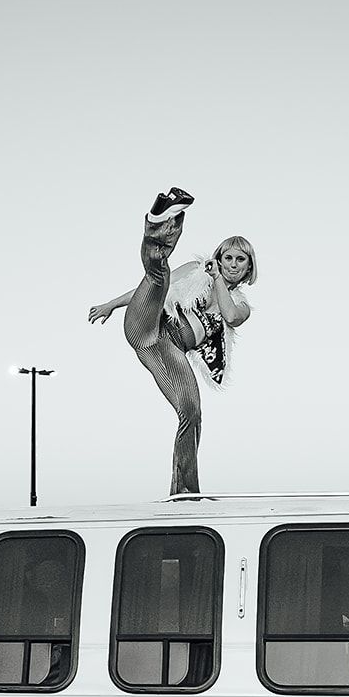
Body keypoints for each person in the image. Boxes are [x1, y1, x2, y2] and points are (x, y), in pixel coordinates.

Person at [89, 188, 257, 496]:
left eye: (240, 260)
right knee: (158, 276)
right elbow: (151, 288)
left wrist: (217, 278)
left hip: (170, 352)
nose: (233, 264)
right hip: (150, 325)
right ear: (218, 257)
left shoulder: (240, 304)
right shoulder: (195, 270)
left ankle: (184, 490)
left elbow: (231, 316)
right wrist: (111, 305)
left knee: (191, 411)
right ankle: (161, 218)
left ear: (249, 267)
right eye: (228, 258)